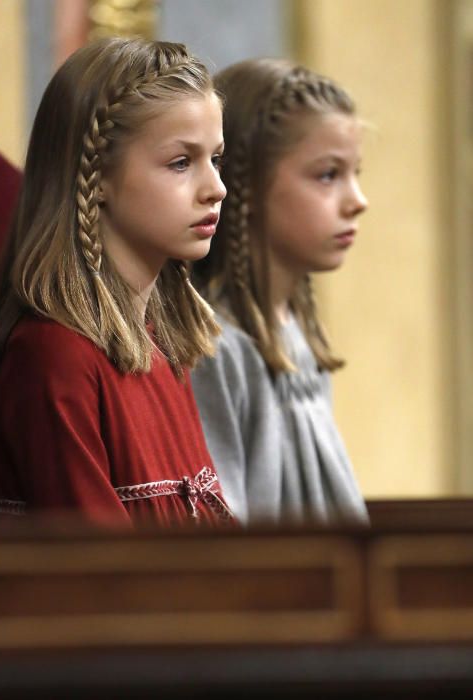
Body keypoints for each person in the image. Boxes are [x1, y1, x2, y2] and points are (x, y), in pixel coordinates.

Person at [0, 36, 233, 528]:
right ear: (95, 177)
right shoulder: (55, 356)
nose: (216, 188)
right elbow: (105, 580)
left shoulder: (165, 347)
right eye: (181, 162)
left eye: (216, 159)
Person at [191, 57, 369, 526]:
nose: (358, 200)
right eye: (328, 175)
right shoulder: (215, 347)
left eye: (356, 173)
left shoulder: (298, 333)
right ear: (244, 186)